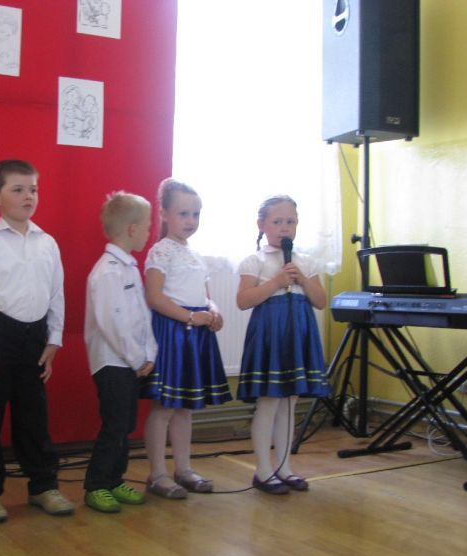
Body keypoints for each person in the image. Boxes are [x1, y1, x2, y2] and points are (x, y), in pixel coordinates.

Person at [0, 159, 74, 523]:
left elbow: (56, 293)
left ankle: (43, 485)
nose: (29, 196)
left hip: (35, 337)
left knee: (33, 415)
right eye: (18, 190)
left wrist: (53, 339)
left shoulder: (48, 243)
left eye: (33, 190)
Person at [142, 178, 231, 499]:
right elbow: (154, 297)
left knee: (185, 408)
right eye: (183, 214)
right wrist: (190, 317)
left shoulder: (194, 254)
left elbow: (205, 296)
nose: (190, 221)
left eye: (196, 214)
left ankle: (184, 468)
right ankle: (158, 474)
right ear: (164, 214)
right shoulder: (161, 251)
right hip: (173, 332)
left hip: (195, 334)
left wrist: (213, 310)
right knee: (165, 407)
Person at [236, 195, 330, 494]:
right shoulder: (255, 260)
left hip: (298, 333)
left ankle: (284, 467)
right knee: (269, 401)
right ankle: (263, 470)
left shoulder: (305, 262)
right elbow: (243, 300)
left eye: (290, 221)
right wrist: (275, 282)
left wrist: (302, 278)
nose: (284, 227)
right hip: (270, 335)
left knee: (289, 402)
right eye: (277, 221)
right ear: (262, 225)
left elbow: (320, 301)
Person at [83, 191, 156, 513]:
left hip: (130, 362)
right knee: (114, 425)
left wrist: (149, 352)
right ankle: (96, 485)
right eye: (147, 226)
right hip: (112, 362)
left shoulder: (129, 268)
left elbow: (141, 316)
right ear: (131, 229)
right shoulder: (108, 272)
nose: (149, 232)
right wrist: (137, 358)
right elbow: (112, 323)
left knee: (126, 424)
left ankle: (114, 480)